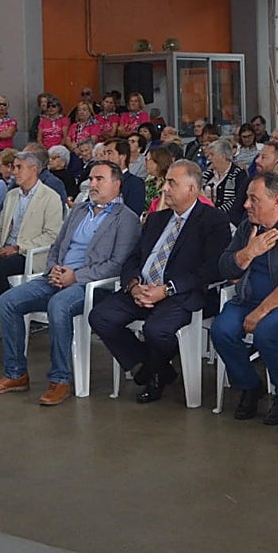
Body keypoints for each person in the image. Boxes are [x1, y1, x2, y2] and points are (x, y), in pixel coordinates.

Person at [0, 160, 140, 405]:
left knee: (59, 305)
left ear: (117, 184)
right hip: (57, 276)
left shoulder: (125, 218)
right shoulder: (79, 210)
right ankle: (15, 373)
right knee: (8, 300)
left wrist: (76, 276)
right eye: (91, 179)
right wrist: (53, 268)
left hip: (93, 286)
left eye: (100, 179)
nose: (92, 184)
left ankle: (60, 379)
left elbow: (118, 264)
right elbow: (57, 245)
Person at [90, 160, 231, 403]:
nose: (164, 189)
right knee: (100, 316)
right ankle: (156, 367)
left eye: (171, 183)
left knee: (156, 330)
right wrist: (134, 285)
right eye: (165, 182)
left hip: (180, 293)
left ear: (192, 189)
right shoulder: (157, 219)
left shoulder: (212, 220)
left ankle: (153, 373)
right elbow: (133, 257)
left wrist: (167, 290)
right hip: (142, 288)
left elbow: (211, 269)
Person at [211, 172, 278, 426]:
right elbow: (225, 267)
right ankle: (250, 385)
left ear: (277, 201)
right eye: (247, 198)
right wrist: (248, 253)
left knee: (266, 333)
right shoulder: (247, 226)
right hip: (248, 298)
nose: (246, 204)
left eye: (254, 199)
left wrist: (260, 312)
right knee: (221, 330)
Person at [0, 151, 65, 337]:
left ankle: (2, 320)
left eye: (19, 167)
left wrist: (19, 247)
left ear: (33, 169)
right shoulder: (12, 196)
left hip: (30, 253)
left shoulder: (50, 197)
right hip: (5, 249)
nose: (14, 172)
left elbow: (52, 235)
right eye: (13, 167)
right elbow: (1, 227)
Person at [201, 139, 250, 226]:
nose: (209, 158)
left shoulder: (238, 174)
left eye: (212, 155)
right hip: (205, 218)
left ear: (223, 157)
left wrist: (216, 212)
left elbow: (237, 199)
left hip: (228, 220)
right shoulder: (207, 174)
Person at [99, 137, 146, 215]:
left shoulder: (135, 183)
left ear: (123, 156)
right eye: (104, 154)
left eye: (109, 153)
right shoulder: (99, 181)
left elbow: (132, 214)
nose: (105, 158)